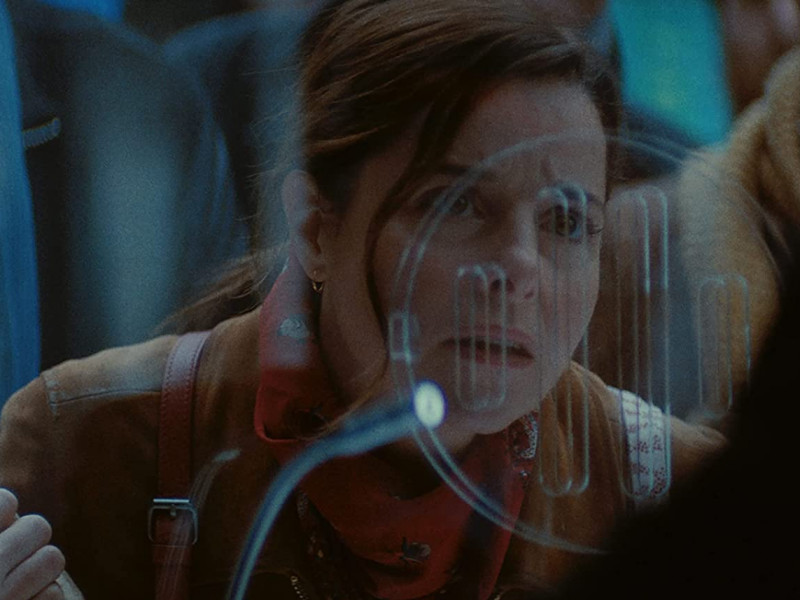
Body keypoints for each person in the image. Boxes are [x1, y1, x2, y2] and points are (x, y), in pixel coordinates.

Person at [0, 1, 725, 599]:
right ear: (316, 229)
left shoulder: (673, 490)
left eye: (567, 222)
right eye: (456, 205)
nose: (521, 268)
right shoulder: (83, 447)